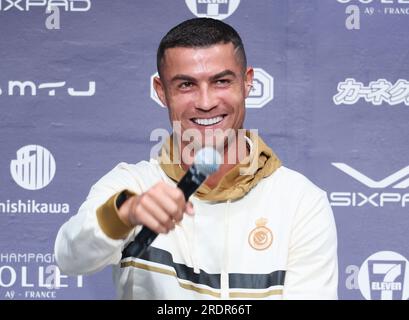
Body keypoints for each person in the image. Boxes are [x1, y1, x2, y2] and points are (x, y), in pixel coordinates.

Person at [54, 17, 338, 300]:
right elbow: (71, 258)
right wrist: (126, 214)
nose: (205, 102)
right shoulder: (132, 186)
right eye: (186, 85)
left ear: (247, 83)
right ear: (161, 91)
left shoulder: (301, 200)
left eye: (221, 81)